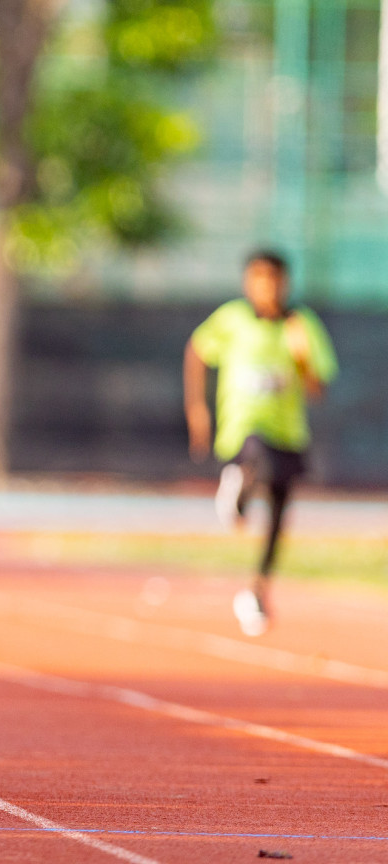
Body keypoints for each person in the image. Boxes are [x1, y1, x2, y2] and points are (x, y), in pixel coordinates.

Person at [184, 250, 336, 638]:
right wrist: (196, 408)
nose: (268, 288)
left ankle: (257, 589)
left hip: (288, 430)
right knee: (257, 454)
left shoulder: (301, 324)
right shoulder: (232, 319)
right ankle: (238, 485)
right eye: (260, 279)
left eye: (275, 280)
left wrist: (302, 360)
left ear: (285, 284)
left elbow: (318, 388)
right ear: (248, 282)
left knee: (279, 512)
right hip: (244, 424)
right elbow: (197, 352)